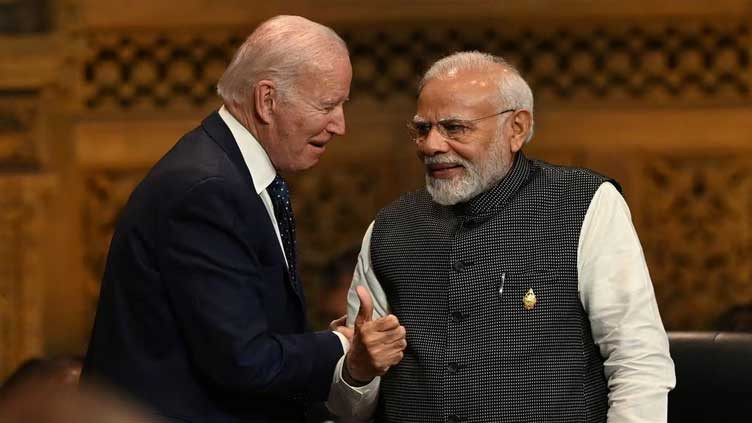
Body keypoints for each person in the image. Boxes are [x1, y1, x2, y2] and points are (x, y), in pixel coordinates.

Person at [82, 15, 405, 423]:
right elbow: (243, 361)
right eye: (327, 105)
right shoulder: (205, 190)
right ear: (266, 100)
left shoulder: (230, 174)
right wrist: (343, 343)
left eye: (342, 105)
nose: (340, 125)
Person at [327, 51, 676, 422]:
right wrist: (357, 371)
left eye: (454, 128)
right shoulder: (390, 228)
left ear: (517, 129)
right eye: (422, 129)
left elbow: (637, 363)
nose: (431, 145)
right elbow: (349, 410)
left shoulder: (584, 204)